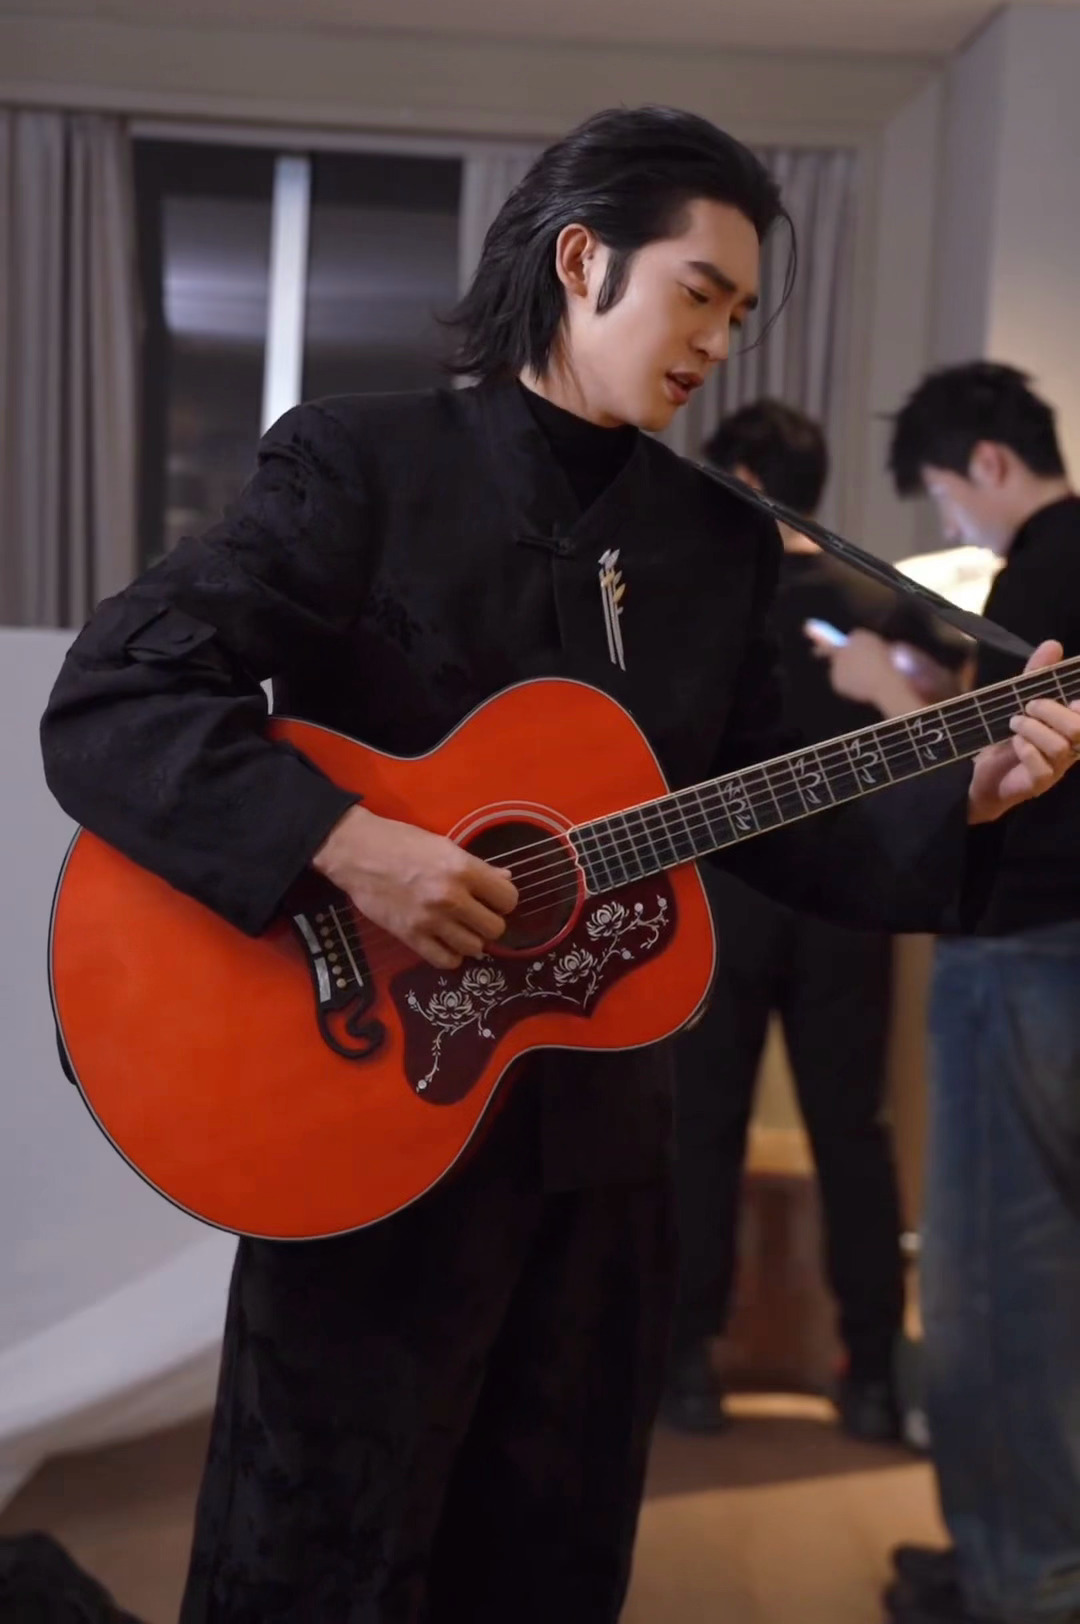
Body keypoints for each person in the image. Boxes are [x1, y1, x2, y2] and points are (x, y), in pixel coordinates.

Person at [38, 118, 1080, 1624]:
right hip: (363, 1114)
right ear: (582, 260)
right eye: (699, 293)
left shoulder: (719, 542)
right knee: (319, 1560)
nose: (718, 342)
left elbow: (766, 808)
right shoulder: (362, 464)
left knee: (551, 1561)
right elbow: (120, 694)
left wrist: (965, 799)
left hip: (602, 1147)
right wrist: (349, 844)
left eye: (739, 312)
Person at [818, 363, 1080, 1624]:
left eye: (944, 495)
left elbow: (998, 766)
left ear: (985, 463)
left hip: (1022, 946)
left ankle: (1018, 1577)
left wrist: (881, 688)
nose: (955, 522)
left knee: (993, 1280)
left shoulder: (1043, 564)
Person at [665, 398, 966, 1444]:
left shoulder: (701, 598)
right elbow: (946, 698)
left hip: (726, 897)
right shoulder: (879, 596)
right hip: (852, 900)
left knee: (703, 1126)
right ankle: (872, 1370)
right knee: (853, 1131)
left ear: (745, 481)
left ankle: (687, 1367)